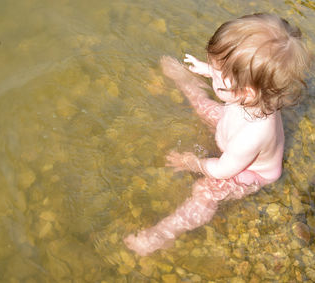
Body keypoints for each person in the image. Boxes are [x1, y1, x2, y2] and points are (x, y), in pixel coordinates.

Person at [124, 13, 310, 256]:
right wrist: (209, 71)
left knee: (206, 191)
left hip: (249, 172)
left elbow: (223, 170)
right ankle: (189, 83)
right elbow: (239, 77)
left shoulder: (253, 135)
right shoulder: (256, 94)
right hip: (230, 128)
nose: (213, 72)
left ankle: (162, 234)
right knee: (204, 106)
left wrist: (192, 162)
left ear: (247, 91)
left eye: (218, 73)